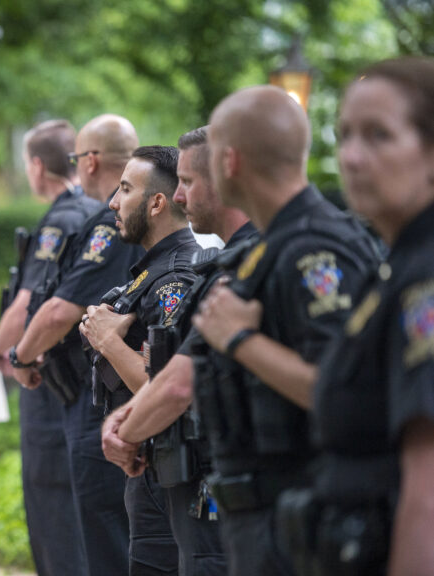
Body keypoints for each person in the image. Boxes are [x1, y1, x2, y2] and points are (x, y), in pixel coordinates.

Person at [188, 86, 379, 576]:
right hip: (268, 518)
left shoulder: (313, 250)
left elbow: (340, 388)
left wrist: (240, 341)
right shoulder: (273, 247)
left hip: (299, 519)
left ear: (229, 162)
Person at [275, 56, 434, 576]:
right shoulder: (393, 267)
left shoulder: (424, 278)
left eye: (379, 136)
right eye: (344, 135)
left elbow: (427, 490)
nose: (352, 156)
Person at [103, 126, 249, 576]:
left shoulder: (188, 272)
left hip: (208, 473)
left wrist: (108, 343)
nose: (180, 196)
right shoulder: (215, 265)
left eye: (187, 182)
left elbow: (172, 381)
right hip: (175, 465)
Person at [10, 114, 140, 575]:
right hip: (104, 399)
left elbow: (59, 311)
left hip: (98, 402)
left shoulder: (110, 224)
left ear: (89, 161)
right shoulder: (111, 217)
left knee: (102, 544)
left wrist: (20, 355)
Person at [80, 145, 197, 576]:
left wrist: (108, 341)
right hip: (147, 467)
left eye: (125, 189)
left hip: (164, 470)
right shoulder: (152, 269)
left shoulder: (176, 277)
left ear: (157, 203)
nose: (113, 201)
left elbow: (166, 383)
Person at [0, 119, 99, 576]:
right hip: (81, 379)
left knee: (52, 503)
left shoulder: (61, 218)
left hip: (52, 378)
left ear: (37, 166)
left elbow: (31, 302)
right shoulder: (95, 209)